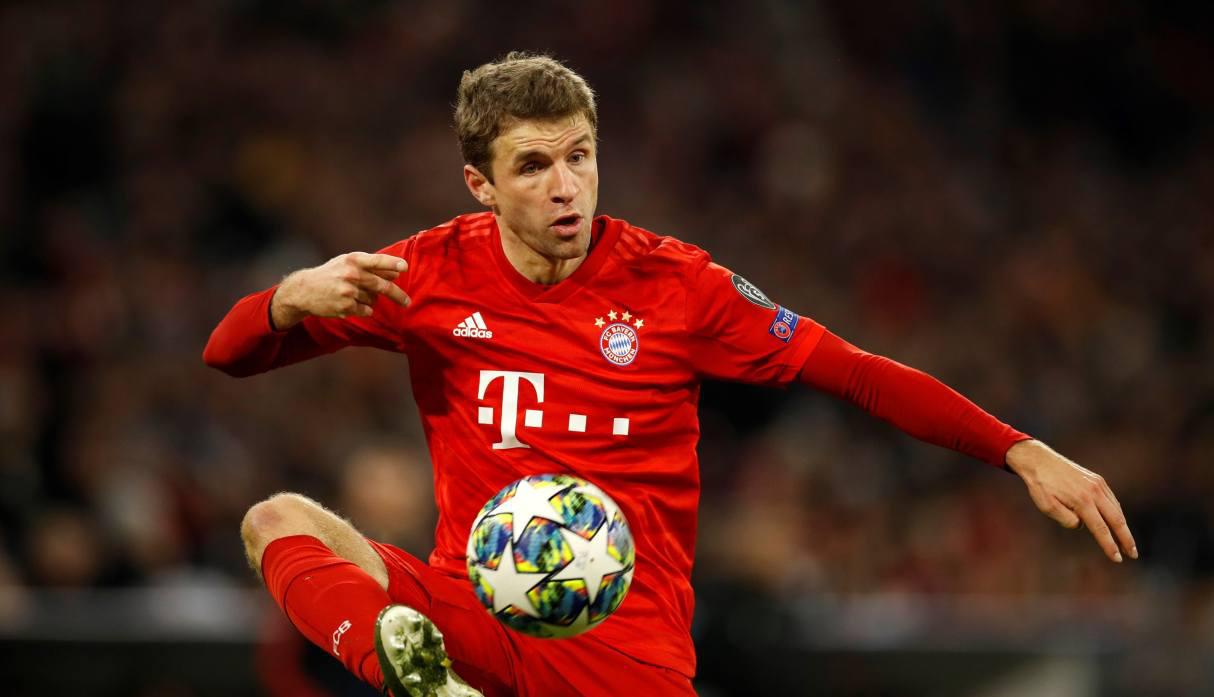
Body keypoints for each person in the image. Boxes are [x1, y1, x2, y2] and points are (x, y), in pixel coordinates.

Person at [203, 52, 1138, 697]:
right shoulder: (427, 275)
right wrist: (285, 299)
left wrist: (1018, 449)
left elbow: (853, 373)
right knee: (277, 519)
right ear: (479, 184)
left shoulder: (678, 286)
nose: (566, 185)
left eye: (580, 156)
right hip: (479, 618)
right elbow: (226, 353)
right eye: (533, 166)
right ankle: (419, 677)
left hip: (624, 653)